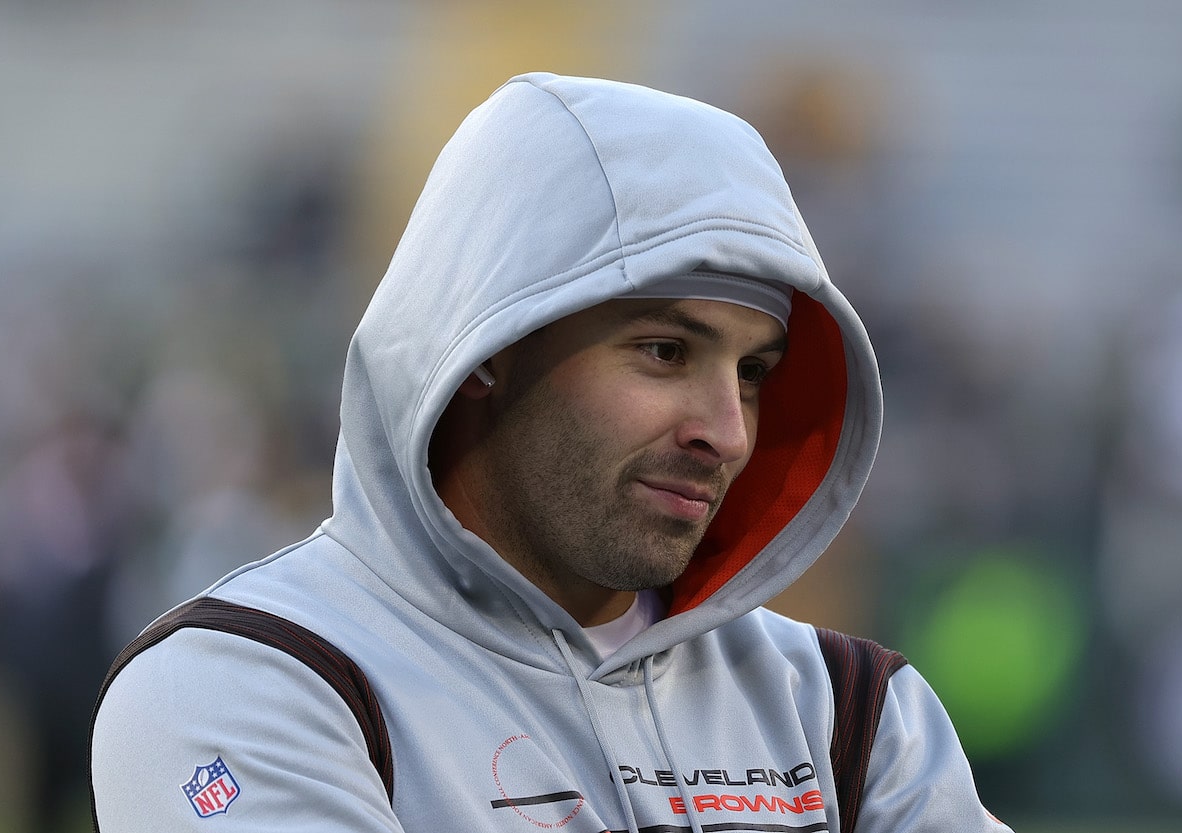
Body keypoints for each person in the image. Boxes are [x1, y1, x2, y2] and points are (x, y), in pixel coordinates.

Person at [90, 72, 1010, 833]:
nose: (725, 429)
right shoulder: (245, 682)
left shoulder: (852, 710)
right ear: (485, 347)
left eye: (755, 371)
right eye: (665, 352)